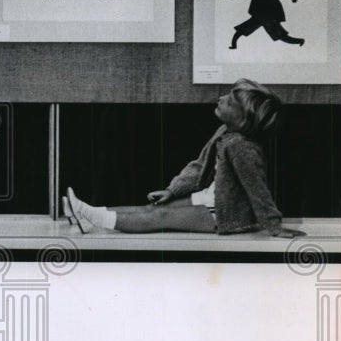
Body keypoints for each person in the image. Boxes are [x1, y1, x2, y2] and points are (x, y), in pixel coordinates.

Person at [64, 79, 305, 238]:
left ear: (244, 118)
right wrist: (172, 190)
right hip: (211, 198)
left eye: (230, 101)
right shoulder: (225, 133)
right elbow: (199, 166)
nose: (221, 98)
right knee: (153, 208)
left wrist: (273, 225)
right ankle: (88, 216)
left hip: (225, 214)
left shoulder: (243, 147)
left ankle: (91, 215)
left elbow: (257, 188)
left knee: (161, 217)